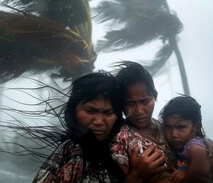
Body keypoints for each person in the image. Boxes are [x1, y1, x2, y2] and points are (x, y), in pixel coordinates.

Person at [33, 71, 163, 183]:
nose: (99, 121)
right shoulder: (74, 153)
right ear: (74, 110)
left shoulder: (116, 146)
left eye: (108, 113)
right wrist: (136, 177)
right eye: (91, 111)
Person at [110, 61, 213, 182]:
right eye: (130, 103)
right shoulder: (120, 140)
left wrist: (204, 146)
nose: (140, 110)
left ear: (154, 97)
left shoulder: (166, 127)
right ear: (122, 105)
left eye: (145, 101)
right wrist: (136, 176)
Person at [160, 95, 213, 183]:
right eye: (168, 127)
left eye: (181, 127)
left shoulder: (195, 148)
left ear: (196, 127)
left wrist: (187, 174)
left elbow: (201, 177)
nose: (173, 134)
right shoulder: (184, 146)